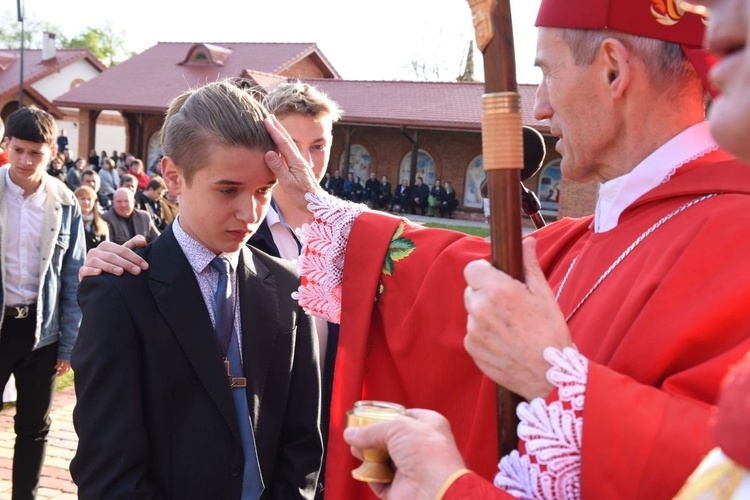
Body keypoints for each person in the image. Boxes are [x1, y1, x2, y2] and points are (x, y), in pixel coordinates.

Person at [284, 0, 750, 497]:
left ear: (613, 70)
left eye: (548, 73)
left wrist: (553, 381)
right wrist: (325, 210)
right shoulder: (622, 222)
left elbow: (709, 465)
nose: (541, 106)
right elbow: (454, 272)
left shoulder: (733, 235)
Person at [70, 79, 323, 499]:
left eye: (263, 191)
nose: (250, 212)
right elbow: (107, 471)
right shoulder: (121, 293)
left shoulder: (287, 286)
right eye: (228, 190)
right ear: (173, 176)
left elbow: (302, 446)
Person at [1, 107, 85, 499]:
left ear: (51, 152)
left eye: (35, 153)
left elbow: (74, 277)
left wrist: (68, 343)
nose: (25, 161)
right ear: (6, 145)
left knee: (34, 427)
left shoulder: (65, 202)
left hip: (42, 330)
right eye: (18, 150)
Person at [75, 185, 109, 251]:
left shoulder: (101, 224)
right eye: (82, 198)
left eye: (89, 199)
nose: (86, 202)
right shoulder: (71, 222)